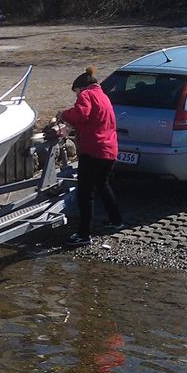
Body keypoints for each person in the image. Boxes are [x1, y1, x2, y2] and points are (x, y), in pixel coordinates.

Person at [59, 65, 123, 245]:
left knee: (85, 193)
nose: (77, 97)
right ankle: (116, 220)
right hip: (109, 150)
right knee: (102, 184)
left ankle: (84, 234)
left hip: (93, 150)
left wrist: (63, 114)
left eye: (76, 93)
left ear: (81, 88)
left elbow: (81, 113)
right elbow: (92, 119)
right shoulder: (103, 96)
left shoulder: (87, 95)